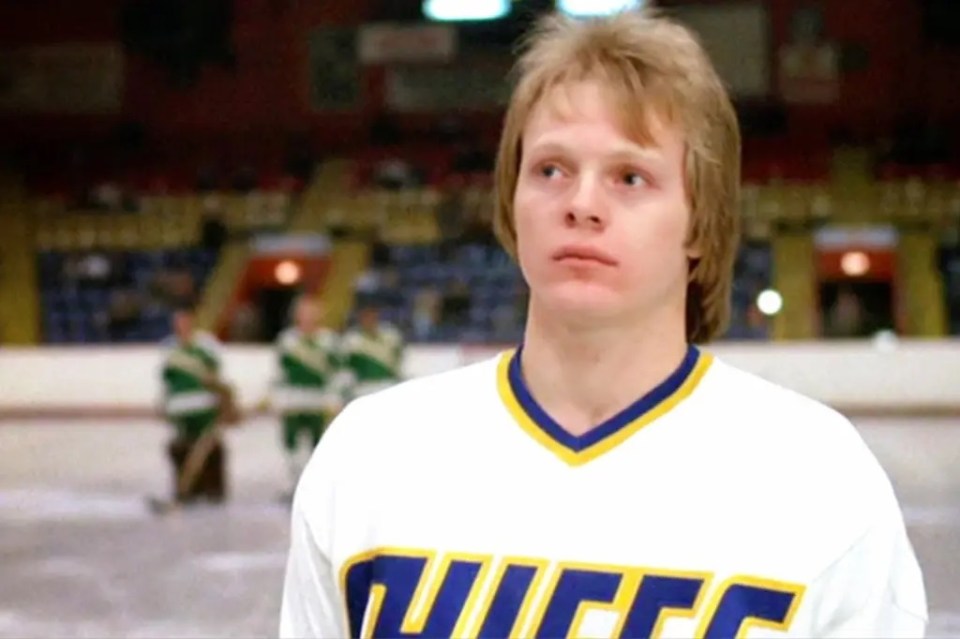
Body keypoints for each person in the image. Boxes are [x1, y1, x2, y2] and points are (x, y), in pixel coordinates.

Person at [280, 10, 927, 638]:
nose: (581, 203)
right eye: (551, 170)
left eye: (630, 176)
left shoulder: (819, 479)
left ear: (700, 222)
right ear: (511, 198)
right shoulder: (369, 459)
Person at [159, 303, 238, 505]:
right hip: (180, 409)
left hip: (205, 406)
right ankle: (188, 490)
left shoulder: (206, 346)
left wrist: (223, 403)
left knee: (209, 449)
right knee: (182, 448)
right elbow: (167, 382)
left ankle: (212, 490)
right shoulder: (169, 348)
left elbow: (216, 378)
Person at [272, 295, 348, 498]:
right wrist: (279, 399)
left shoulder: (329, 341)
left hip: (319, 401)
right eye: (304, 312)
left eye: (312, 312)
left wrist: (335, 398)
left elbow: (339, 372)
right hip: (293, 400)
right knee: (291, 443)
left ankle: (317, 488)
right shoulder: (287, 340)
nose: (308, 317)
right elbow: (279, 373)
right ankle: (295, 484)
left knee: (320, 445)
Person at [339, 303, 404, 399]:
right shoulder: (352, 339)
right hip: (363, 387)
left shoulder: (391, 336)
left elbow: (399, 359)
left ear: (377, 316)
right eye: (365, 316)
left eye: (372, 316)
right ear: (360, 318)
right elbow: (345, 366)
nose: (369, 320)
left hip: (386, 384)